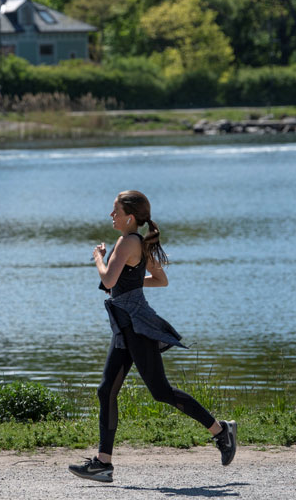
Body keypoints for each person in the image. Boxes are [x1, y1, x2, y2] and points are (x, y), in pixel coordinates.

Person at [69, 190, 237, 483]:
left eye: (116, 211)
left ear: (130, 217)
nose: (111, 215)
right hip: (125, 325)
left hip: (137, 326)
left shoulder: (126, 242)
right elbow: (159, 280)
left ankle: (221, 431)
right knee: (106, 390)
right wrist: (130, 282)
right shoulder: (140, 242)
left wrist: (98, 257)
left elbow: (107, 279)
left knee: (161, 391)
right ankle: (103, 463)